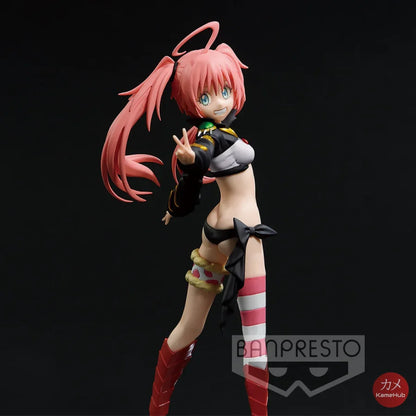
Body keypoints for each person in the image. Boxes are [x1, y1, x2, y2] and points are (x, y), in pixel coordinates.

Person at [101, 21, 276, 416]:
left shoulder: (209, 134)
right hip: (243, 234)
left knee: (189, 326)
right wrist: (191, 157)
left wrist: (175, 205)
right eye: (207, 96)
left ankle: (157, 408)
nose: (221, 102)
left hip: (213, 234)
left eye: (225, 91)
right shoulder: (212, 137)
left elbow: (193, 181)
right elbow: (201, 157)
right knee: (256, 340)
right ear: (191, 100)